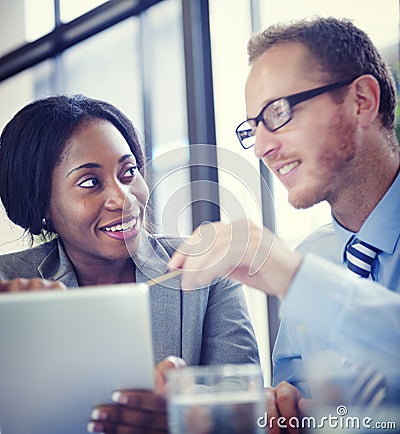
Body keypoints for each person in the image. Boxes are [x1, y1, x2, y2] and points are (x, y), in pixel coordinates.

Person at [168, 16, 400, 431]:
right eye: (253, 126)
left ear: (362, 100)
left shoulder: (297, 271)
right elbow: (301, 406)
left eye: (279, 112)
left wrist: (292, 278)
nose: (260, 147)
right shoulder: (312, 256)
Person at [0, 95, 260, 433]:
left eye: (129, 172)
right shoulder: (8, 285)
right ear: (41, 204)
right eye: (90, 182)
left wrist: (186, 419)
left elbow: (247, 415)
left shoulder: (205, 268)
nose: (124, 199)